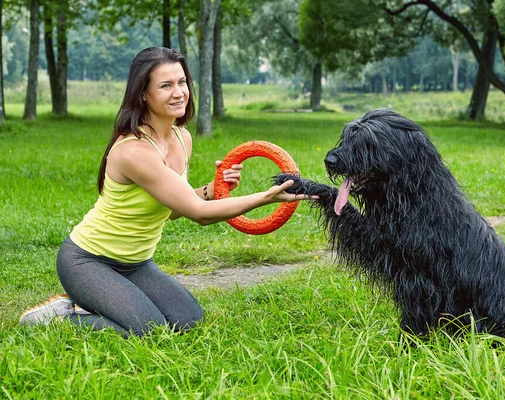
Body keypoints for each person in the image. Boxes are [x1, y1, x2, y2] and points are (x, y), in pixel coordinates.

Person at [19, 47, 312, 337]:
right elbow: (199, 215)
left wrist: (210, 190)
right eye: (166, 85)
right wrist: (266, 197)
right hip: (87, 260)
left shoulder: (181, 137)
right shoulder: (134, 150)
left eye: (182, 82)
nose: (179, 92)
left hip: (136, 264)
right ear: (143, 93)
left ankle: (105, 305)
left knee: (189, 321)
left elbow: (172, 210)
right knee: (150, 330)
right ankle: (60, 317)